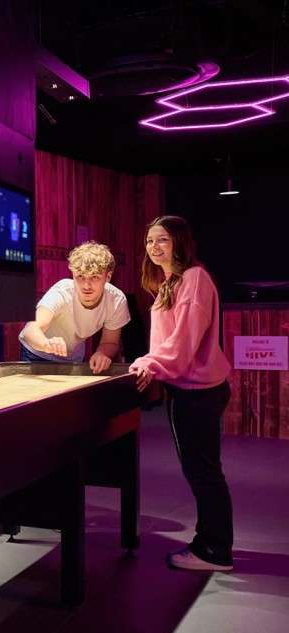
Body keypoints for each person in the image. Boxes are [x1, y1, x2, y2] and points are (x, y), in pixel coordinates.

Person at [127, 215, 233, 572]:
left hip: (198, 391)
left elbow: (182, 345)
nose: (154, 248)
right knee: (200, 470)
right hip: (187, 389)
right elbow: (170, 345)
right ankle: (208, 541)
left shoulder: (193, 279)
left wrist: (149, 364)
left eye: (163, 240)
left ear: (180, 243)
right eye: (149, 241)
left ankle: (215, 551)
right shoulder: (173, 280)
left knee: (203, 472)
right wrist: (153, 364)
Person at [18, 241, 130, 373]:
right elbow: (30, 330)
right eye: (80, 276)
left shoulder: (116, 300)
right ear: (73, 275)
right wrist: (46, 344)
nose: (86, 286)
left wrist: (102, 353)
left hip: (73, 357)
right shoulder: (62, 291)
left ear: (108, 277)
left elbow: (110, 342)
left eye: (94, 277)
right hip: (37, 354)